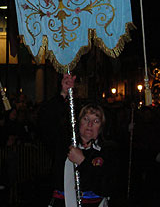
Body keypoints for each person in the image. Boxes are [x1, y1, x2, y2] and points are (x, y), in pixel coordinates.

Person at [39, 73, 117, 206]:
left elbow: (105, 186)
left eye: (96, 121)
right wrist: (63, 94)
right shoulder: (65, 144)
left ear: (101, 126)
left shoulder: (108, 150)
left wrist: (82, 161)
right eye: (86, 119)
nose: (90, 124)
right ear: (78, 122)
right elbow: (45, 121)